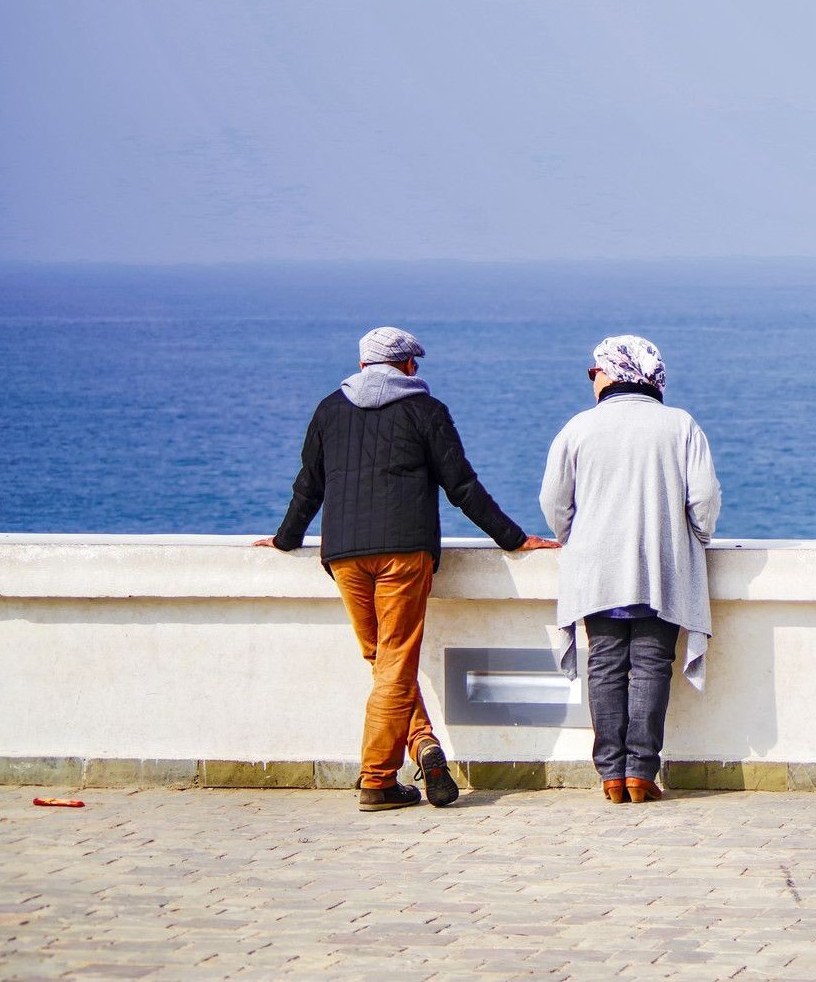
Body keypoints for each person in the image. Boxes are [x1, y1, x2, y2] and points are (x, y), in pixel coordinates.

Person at [257, 326, 558, 812]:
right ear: (408, 367)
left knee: (382, 659)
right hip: (403, 550)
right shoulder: (426, 411)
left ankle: (422, 745)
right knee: (395, 661)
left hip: (344, 553)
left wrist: (286, 538)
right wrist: (515, 538)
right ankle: (376, 780)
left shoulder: (329, 409)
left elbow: (308, 486)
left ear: (361, 366)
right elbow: (462, 487)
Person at [541, 335, 720, 804]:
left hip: (597, 568)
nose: (591, 379)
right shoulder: (680, 426)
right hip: (662, 566)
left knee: (604, 664)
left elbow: (554, 502)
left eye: (594, 370)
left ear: (615, 372)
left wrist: (574, 538)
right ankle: (641, 773)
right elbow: (703, 501)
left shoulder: (578, 428)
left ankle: (610, 776)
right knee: (651, 666)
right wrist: (695, 538)